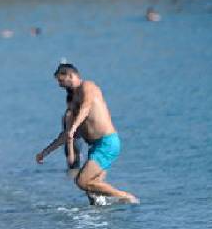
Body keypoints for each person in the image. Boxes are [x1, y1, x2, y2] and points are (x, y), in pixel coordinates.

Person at [36, 64, 139, 205]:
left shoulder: (88, 87)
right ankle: (103, 214)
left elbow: (87, 107)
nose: (60, 86)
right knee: (93, 192)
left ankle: (126, 197)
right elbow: (66, 134)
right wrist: (45, 152)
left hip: (107, 143)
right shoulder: (73, 101)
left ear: (70, 76)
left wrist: (74, 127)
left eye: (61, 81)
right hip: (96, 147)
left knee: (82, 181)